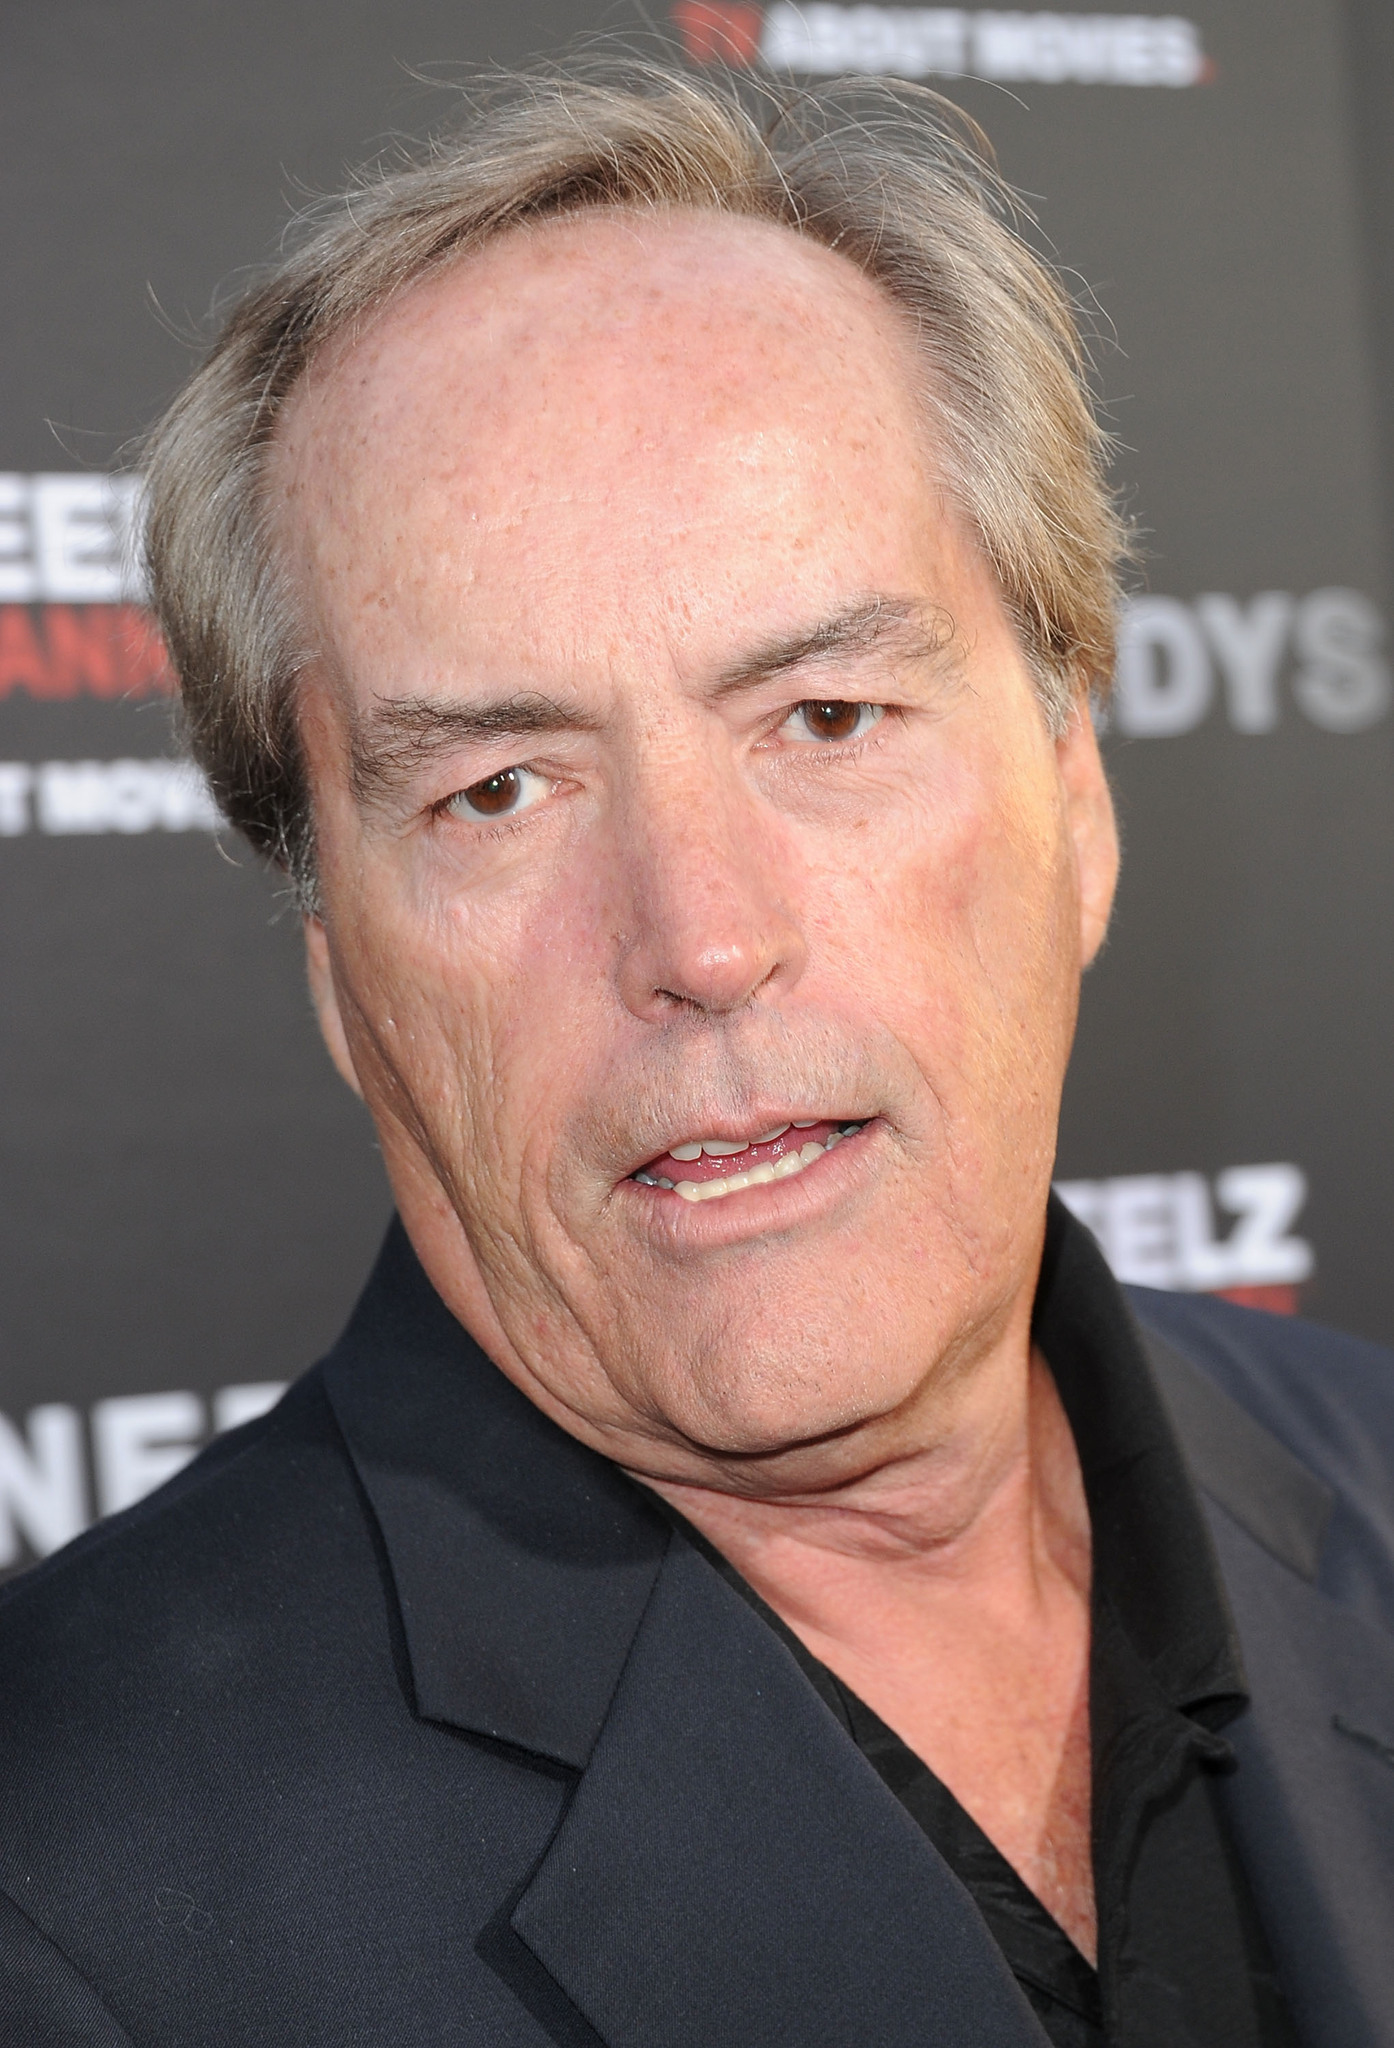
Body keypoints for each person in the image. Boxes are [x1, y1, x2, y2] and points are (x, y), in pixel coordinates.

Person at [2, 63, 1392, 2048]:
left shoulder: (1366, 1459)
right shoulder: (69, 1885)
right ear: (340, 983)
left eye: (825, 717)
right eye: (495, 790)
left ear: (1076, 804)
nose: (702, 939)